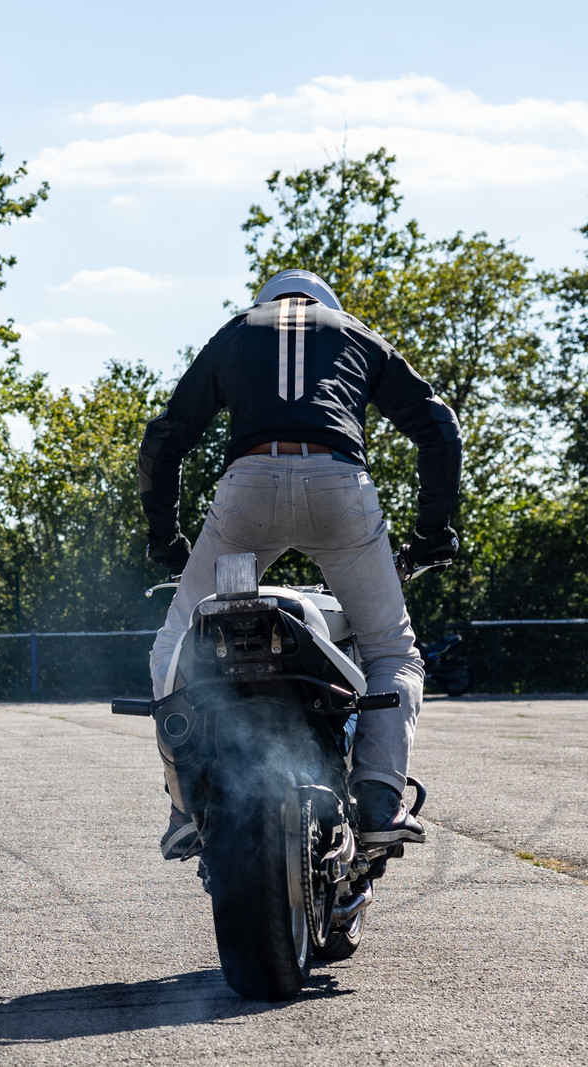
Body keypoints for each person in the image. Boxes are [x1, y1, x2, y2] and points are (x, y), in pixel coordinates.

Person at [139, 269, 461, 858]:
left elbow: (164, 438)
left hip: (248, 490)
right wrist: (432, 532)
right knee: (391, 650)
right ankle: (380, 799)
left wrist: (168, 540)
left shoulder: (237, 332)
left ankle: (185, 803)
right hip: (340, 487)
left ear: (265, 305)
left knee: (175, 643)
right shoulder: (357, 334)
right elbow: (438, 427)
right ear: (326, 306)